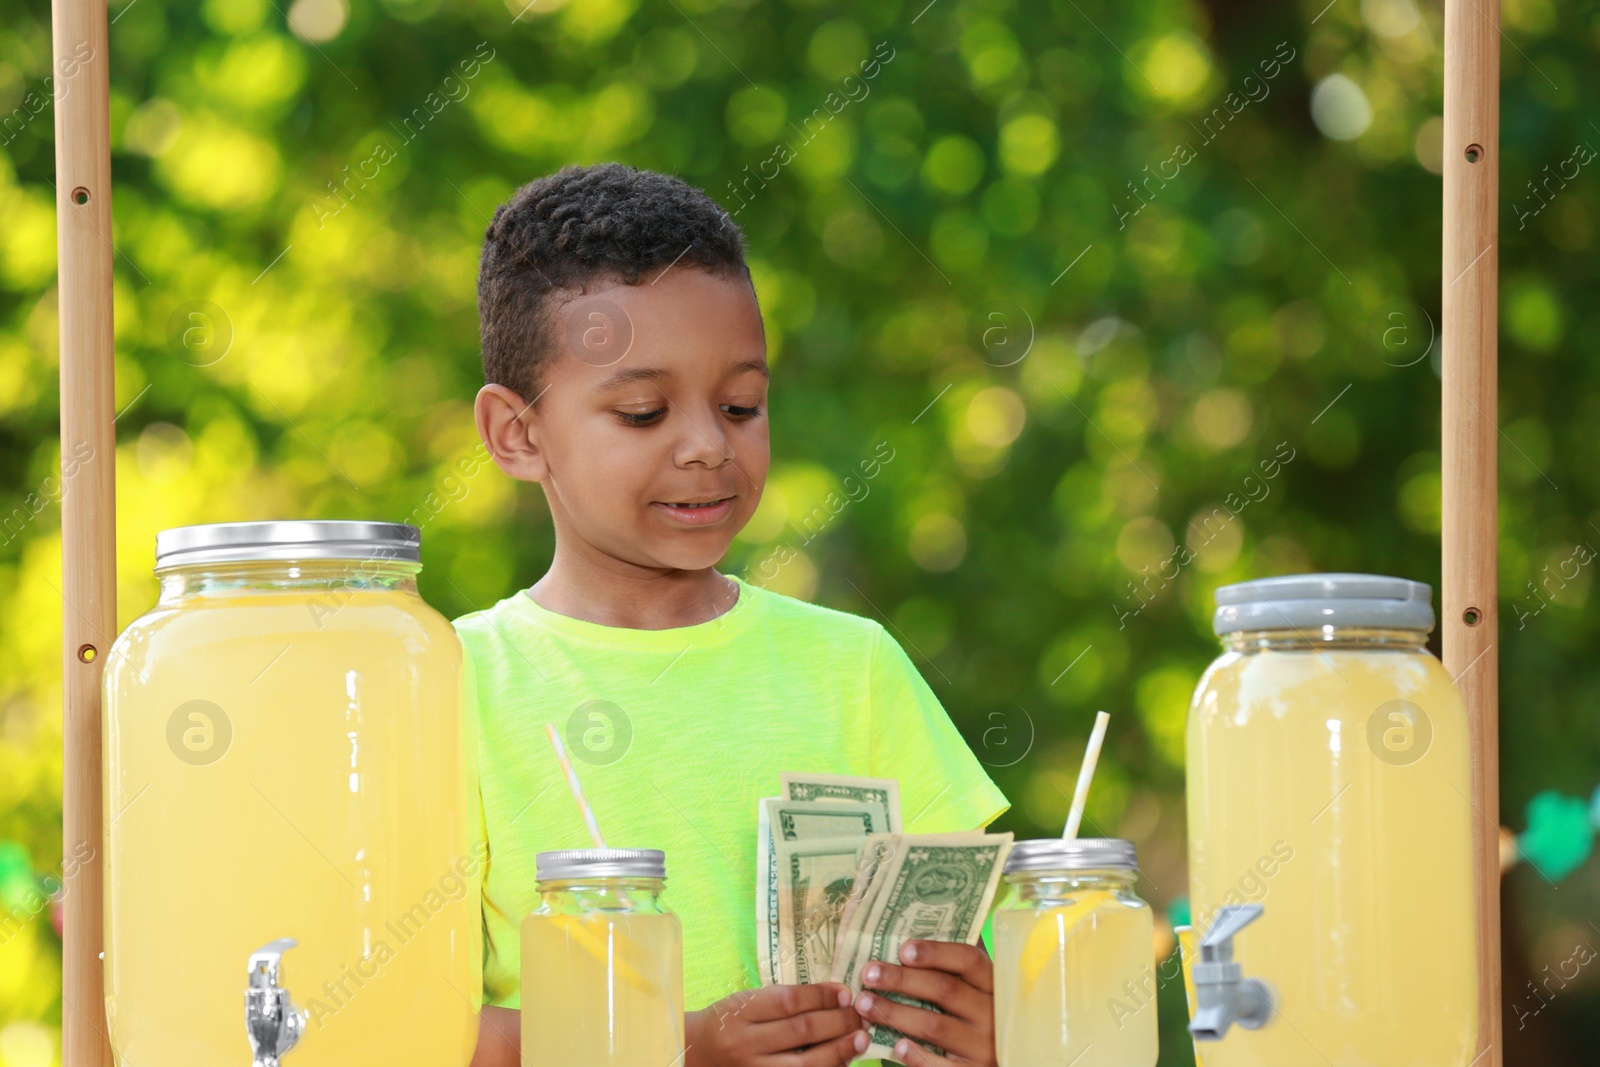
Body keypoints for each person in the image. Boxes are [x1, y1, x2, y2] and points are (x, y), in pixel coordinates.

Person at [456, 162, 1010, 1067]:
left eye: (741, 405)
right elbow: (406, 1028)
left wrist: (999, 1029)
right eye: (642, 412)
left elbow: (983, 974)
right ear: (517, 434)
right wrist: (683, 1049)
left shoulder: (855, 667)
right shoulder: (449, 686)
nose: (709, 446)